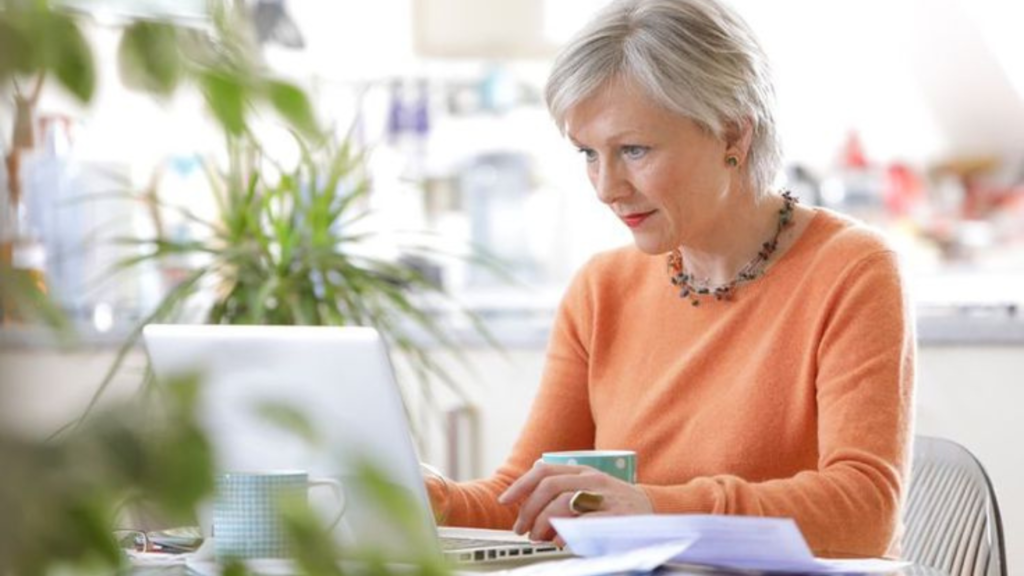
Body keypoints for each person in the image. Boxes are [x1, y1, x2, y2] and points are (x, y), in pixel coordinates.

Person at [427, 0, 915, 559]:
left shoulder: (852, 269)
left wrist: (651, 509)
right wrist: (431, 499)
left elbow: (865, 513)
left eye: (633, 150)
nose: (607, 187)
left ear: (733, 134)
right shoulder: (602, 289)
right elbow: (528, 500)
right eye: (589, 154)